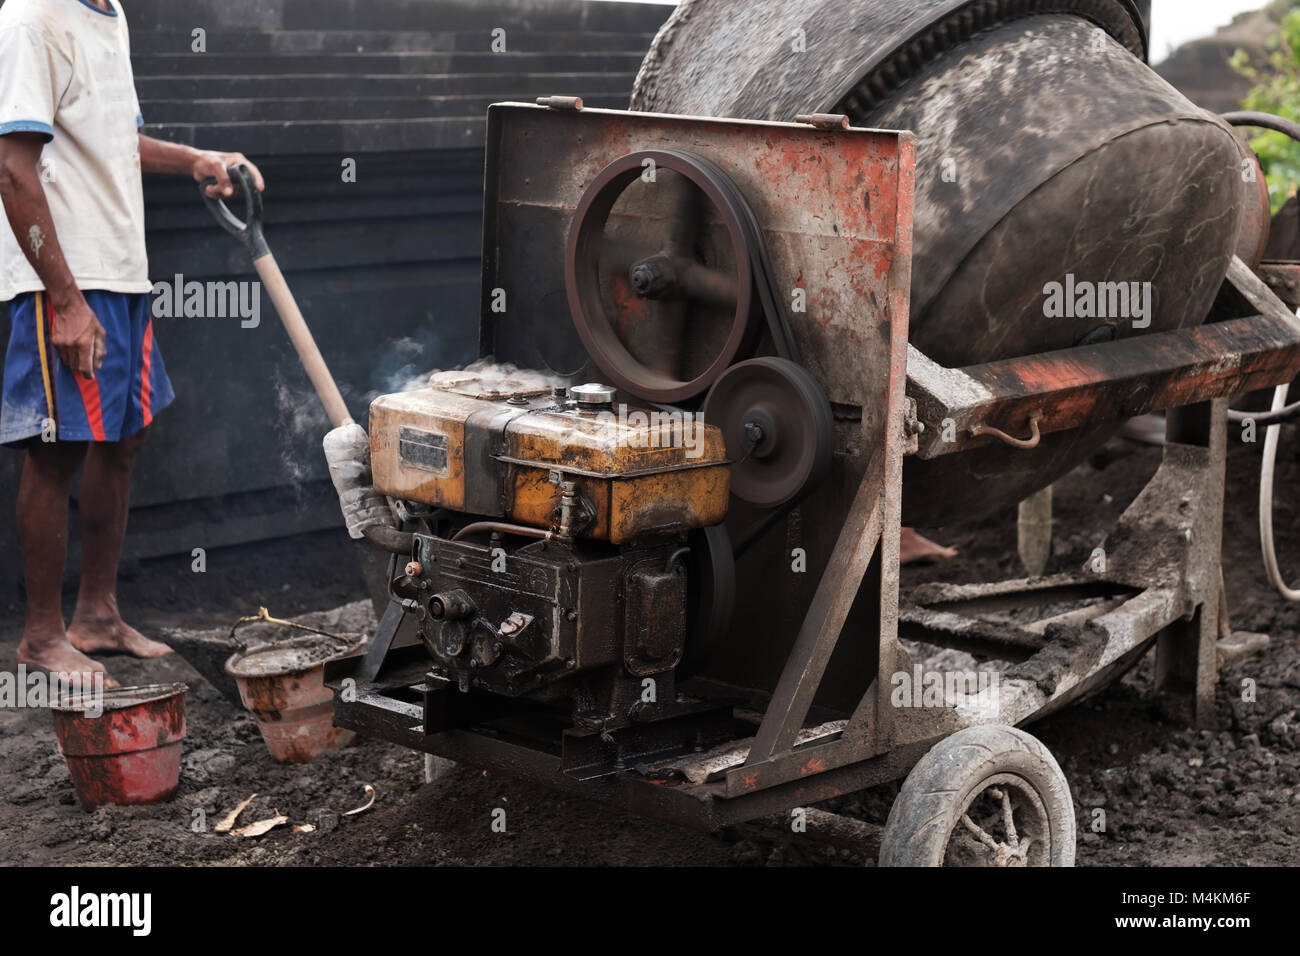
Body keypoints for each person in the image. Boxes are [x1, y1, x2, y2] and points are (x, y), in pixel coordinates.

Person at [0, 0, 264, 681]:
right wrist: (64, 300)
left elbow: (118, 142)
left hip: (121, 270)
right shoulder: (33, 19)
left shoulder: (108, 15)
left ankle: (96, 614)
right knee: (58, 448)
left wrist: (196, 159)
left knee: (125, 436)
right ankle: (39, 637)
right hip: (67, 276)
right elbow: (11, 167)